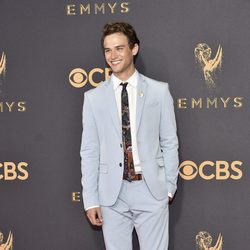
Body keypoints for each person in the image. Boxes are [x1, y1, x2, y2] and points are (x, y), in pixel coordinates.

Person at [80, 22, 179, 250]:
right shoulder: (93, 98)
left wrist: (169, 186)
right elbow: (89, 151)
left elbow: (169, 141)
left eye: (119, 48)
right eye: (107, 50)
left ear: (134, 49)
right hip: (111, 194)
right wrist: (91, 199)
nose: (113, 56)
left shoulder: (158, 91)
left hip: (151, 188)